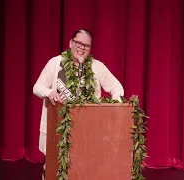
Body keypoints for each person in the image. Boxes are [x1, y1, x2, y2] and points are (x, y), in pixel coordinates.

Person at [32, 29, 124, 179]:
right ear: (70, 43)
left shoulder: (96, 66)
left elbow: (117, 88)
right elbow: (37, 87)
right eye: (78, 43)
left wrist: (112, 107)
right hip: (58, 128)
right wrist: (49, 93)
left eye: (86, 46)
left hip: (86, 132)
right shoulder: (55, 63)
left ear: (90, 49)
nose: (82, 47)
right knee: (54, 170)